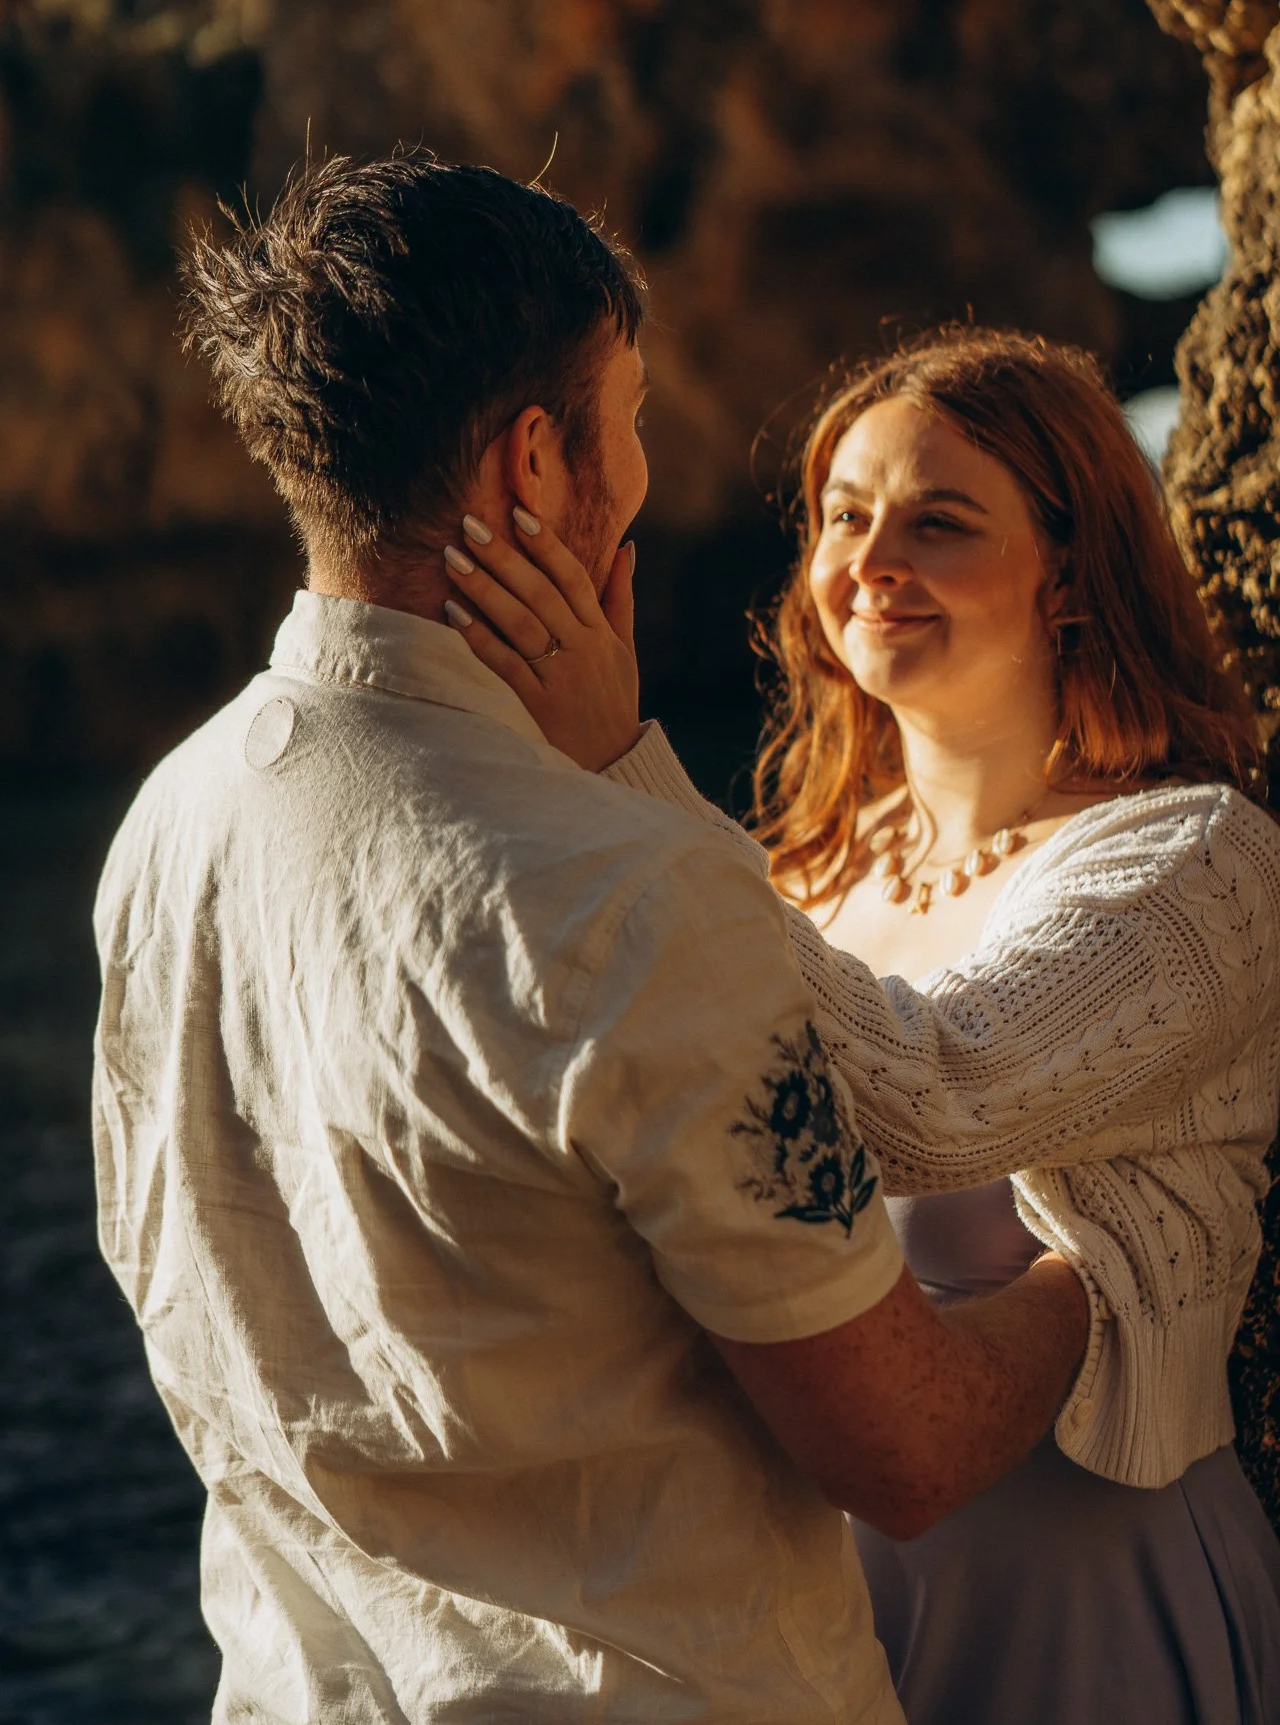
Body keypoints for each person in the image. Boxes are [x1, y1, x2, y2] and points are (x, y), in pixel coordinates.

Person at [92, 162, 1090, 1725]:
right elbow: (906, 1447)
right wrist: (1104, 1273)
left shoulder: (171, 825)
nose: (643, 462)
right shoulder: (631, 890)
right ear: (536, 460)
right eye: (629, 415)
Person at [443, 326, 1280, 1724]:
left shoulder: (1202, 864)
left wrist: (618, 770)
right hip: (820, 1623)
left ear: (1071, 575)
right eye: (844, 516)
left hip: (1084, 1615)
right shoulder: (801, 876)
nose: (871, 562)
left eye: (939, 522)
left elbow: (930, 1097)